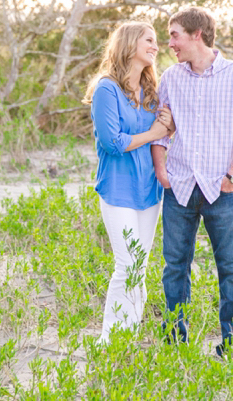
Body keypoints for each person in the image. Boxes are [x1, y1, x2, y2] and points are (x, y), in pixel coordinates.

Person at [151, 7, 233, 358]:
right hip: (179, 187)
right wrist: (162, 171)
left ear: (197, 34)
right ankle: (174, 345)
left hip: (221, 189)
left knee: (231, 269)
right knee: (174, 268)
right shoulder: (171, 78)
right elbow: (161, 131)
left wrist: (232, 177)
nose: (170, 44)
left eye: (175, 35)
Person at [83, 21, 173, 344]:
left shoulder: (151, 90)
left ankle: (129, 335)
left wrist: (168, 125)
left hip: (149, 191)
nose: (156, 46)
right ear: (130, 43)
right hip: (118, 190)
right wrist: (153, 133)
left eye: (157, 41)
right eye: (149, 40)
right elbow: (113, 142)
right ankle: (110, 340)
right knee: (127, 264)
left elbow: (165, 132)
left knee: (141, 267)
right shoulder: (106, 89)